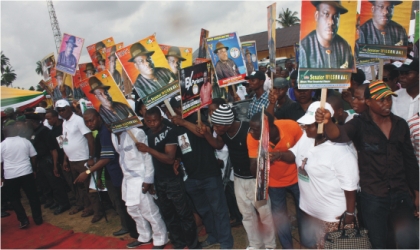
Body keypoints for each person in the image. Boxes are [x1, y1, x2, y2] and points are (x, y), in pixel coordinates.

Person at [316, 81, 419, 248]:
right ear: (369, 102)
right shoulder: (358, 124)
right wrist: (328, 122)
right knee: (381, 243)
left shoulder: (401, 124)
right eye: (381, 100)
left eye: (389, 99)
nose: (387, 104)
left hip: (401, 195)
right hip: (374, 198)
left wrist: (417, 193)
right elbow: (338, 135)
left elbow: (410, 160)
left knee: (409, 242)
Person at [274, 101, 358, 248]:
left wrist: (350, 214)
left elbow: (350, 186)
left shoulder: (340, 151)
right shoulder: (306, 138)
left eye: (309, 125)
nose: (305, 127)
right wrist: (278, 155)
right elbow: (293, 154)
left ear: (323, 125)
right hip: (310, 211)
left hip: (332, 216)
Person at [199, 104, 276, 249]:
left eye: (216, 125)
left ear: (227, 123)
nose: (214, 128)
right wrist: (207, 134)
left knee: (264, 215)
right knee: (246, 215)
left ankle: (270, 245)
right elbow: (218, 145)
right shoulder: (224, 133)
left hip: (256, 179)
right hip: (238, 179)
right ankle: (255, 244)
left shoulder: (249, 130)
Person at [169, 97, 234, 249]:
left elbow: (201, 132)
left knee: (219, 210)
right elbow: (180, 148)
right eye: (177, 107)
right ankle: (213, 236)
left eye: (182, 105)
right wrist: (177, 160)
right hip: (191, 177)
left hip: (210, 174)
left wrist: (183, 122)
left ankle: (226, 242)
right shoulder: (175, 126)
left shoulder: (199, 117)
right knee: (204, 211)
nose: (181, 109)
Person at [136, 107, 199, 249]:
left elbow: (170, 159)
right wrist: (150, 180)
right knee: (168, 214)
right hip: (159, 180)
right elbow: (148, 161)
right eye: (148, 121)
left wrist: (148, 149)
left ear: (161, 118)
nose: (152, 123)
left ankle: (194, 245)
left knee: (184, 214)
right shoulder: (147, 134)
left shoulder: (169, 132)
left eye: (155, 120)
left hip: (173, 180)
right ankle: (178, 243)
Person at [247, 111, 302, 249]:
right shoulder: (252, 138)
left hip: (297, 177)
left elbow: (304, 152)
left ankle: (307, 243)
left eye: (255, 129)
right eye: (251, 128)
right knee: (280, 217)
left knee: (303, 212)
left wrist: (279, 155)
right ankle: (287, 247)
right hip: (275, 182)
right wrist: (260, 153)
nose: (251, 132)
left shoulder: (291, 126)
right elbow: (254, 172)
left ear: (268, 128)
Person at [55, 100, 103, 223]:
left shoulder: (78, 120)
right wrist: (65, 159)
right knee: (80, 186)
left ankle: (98, 211)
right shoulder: (64, 122)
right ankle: (88, 207)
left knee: (90, 187)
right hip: (72, 159)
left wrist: (91, 157)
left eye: (63, 109)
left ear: (69, 108)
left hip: (83, 159)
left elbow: (90, 138)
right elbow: (64, 141)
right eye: (59, 110)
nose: (61, 112)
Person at [25, 113, 71, 215]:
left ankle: (64, 203)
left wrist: (56, 164)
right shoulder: (35, 132)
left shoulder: (45, 131)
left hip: (49, 160)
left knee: (55, 183)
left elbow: (54, 149)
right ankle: (56, 201)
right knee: (48, 183)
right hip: (41, 161)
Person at [1, 122, 43, 228]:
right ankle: (38, 219)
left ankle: (23, 220)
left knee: (14, 199)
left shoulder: (2, 145)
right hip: (26, 172)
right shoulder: (25, 141)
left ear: (5, 133)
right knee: (33, 196)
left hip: (10, 175)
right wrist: (33, 169)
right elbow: (33, 156)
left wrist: (1, 176)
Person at [300, 1, 354, 69]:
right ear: (316, 16)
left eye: (336, 16)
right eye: (326, 14)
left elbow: (350, 76)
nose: (331, 22)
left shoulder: (345, 47)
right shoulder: (305, 48)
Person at [45, 110, 76, 203]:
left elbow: (64, 145)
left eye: (49, 118)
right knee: (70, 182)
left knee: (74, 181)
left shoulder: (62, 127)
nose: (48, 121)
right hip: (63, 160)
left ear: (55, 117)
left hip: (68, 158)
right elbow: (55, 149)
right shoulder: (52, 131)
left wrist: (64, 160)